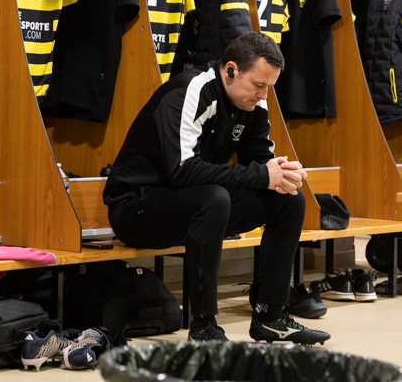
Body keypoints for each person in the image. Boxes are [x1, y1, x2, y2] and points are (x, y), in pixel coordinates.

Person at [102, 31, 330, 345]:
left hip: (193, 205)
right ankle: (204, 325)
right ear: (231, 70)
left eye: (269, 87)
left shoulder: (253, 105)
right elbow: (183, 171)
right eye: (259, 85)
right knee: (213, 198)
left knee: (289, 201)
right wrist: (263, 175)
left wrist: (283, 174)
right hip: (136, 208)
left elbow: (259, 162)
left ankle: (271, 316)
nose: (264, 95)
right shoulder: (191, 91)